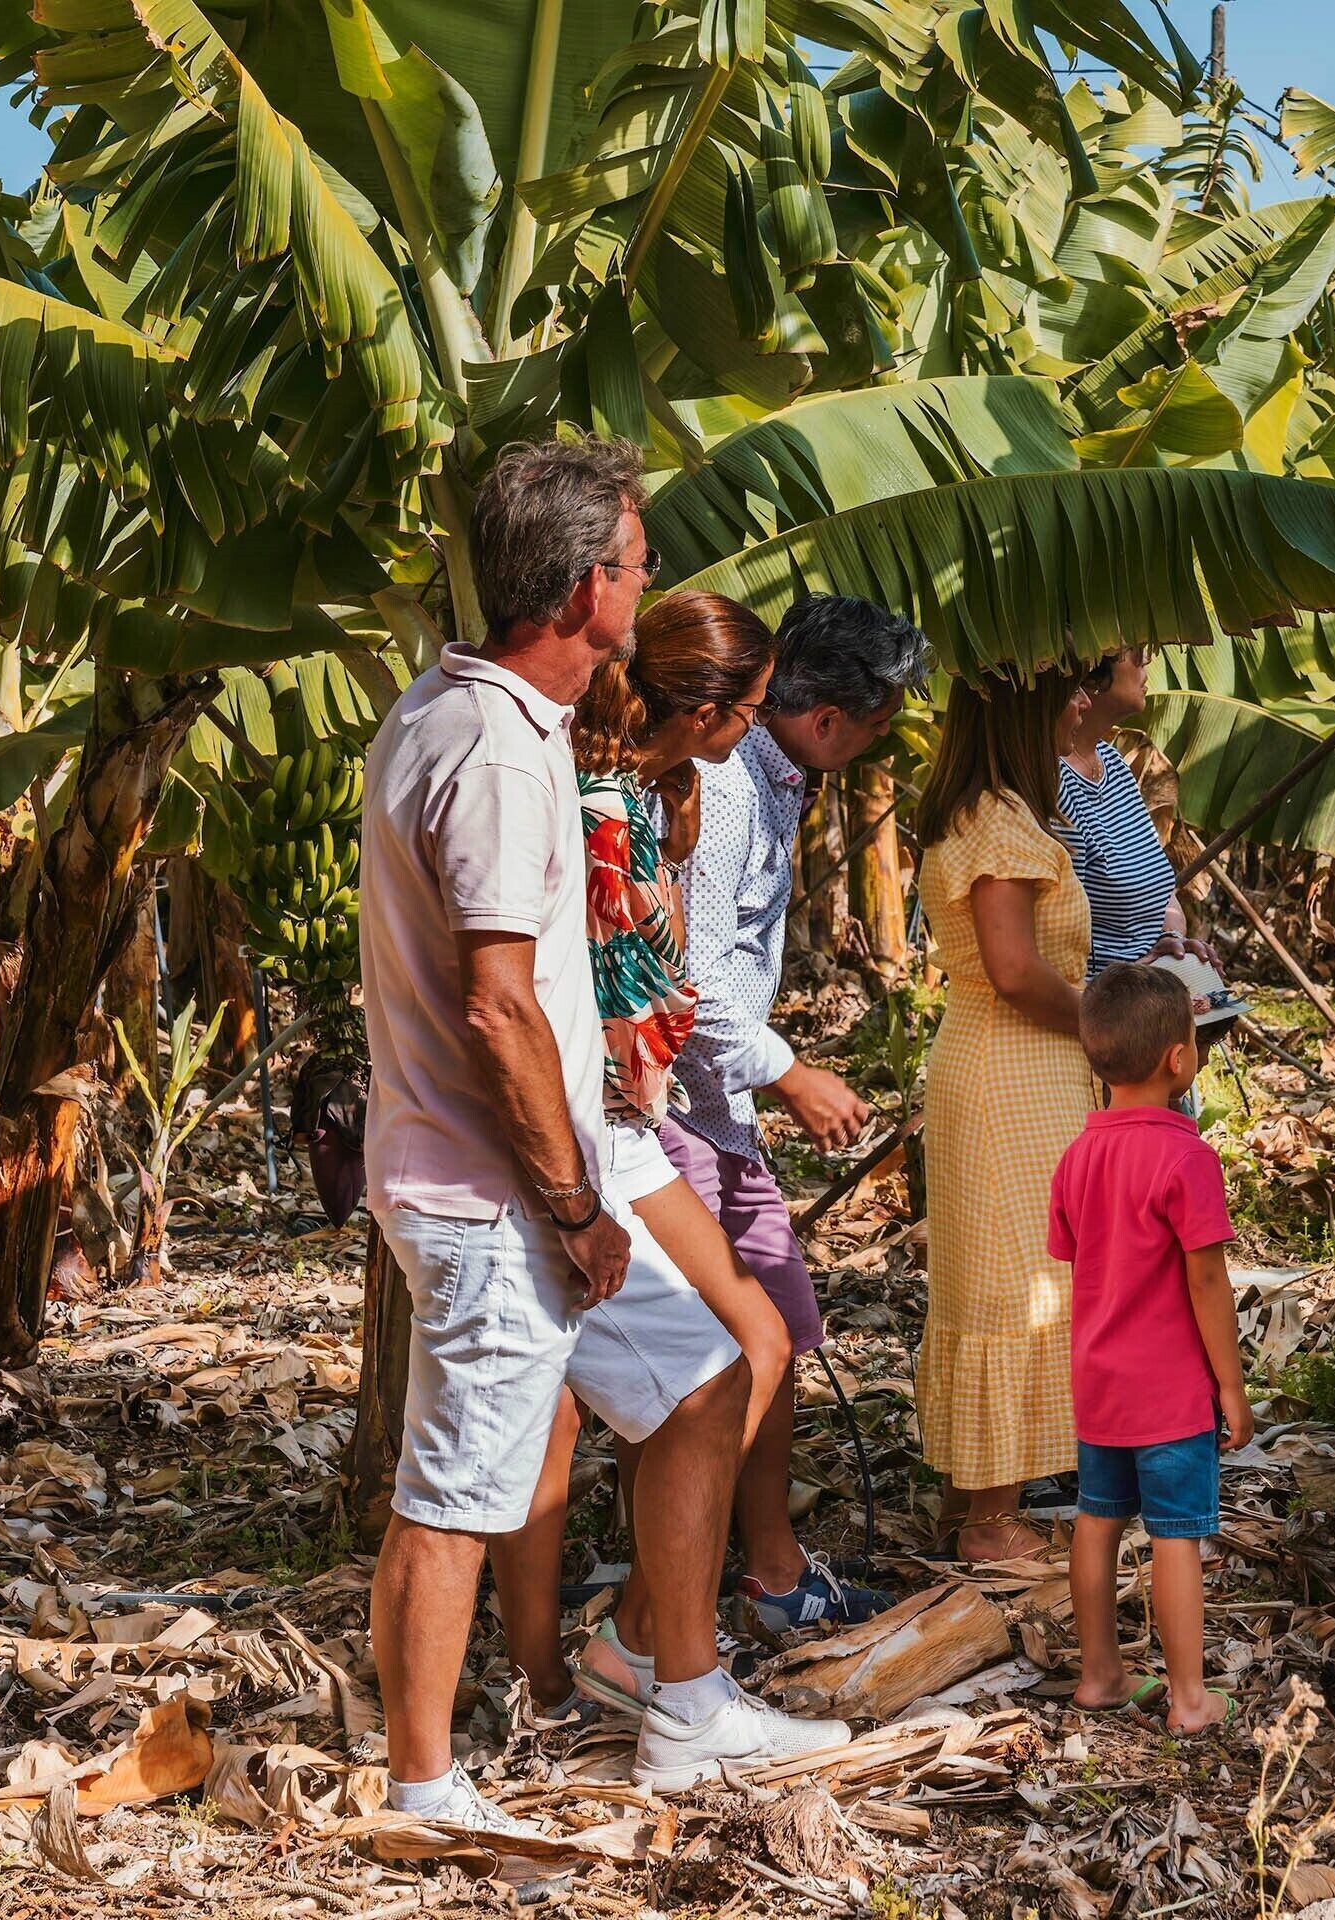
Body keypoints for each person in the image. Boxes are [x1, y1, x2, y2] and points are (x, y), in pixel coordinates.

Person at [359, 441, 837, 1829]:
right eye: (636, 563)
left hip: (551, 1166)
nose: (649, 584)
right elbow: (499, 1003)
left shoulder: (465, 715)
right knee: (456, 1488)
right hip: (497, 1186)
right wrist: (573, 1206)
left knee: (701, 1386)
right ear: (584, 589)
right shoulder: (503, 753)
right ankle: (423, 1785)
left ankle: (685, 1703)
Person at [500, 591, 804, 1728]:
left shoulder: (650, 789)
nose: (758, 730)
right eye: (754, 709)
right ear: (710, 709)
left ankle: (638, 1634)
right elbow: (615, 988)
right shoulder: (599, 802)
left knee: (753, 1339)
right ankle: (551, 1674)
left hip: (631, 1122)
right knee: (556, 1412)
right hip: (589, 1124)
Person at [666, 594, 930, 1632]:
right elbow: (684, 977)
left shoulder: (773, 784)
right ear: (827, 721)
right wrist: (791, 1073)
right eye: (876, 725)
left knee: (779, 1330)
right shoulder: (727, 789)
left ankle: (771, 1573)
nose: (878, 746)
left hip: (719, 1113)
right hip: (682, 1110)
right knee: (722, 1354)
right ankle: (665, 1611)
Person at [914, 665, 1094, 1562]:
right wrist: (1108, 1023)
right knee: (1012, 1285)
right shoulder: (997, 821)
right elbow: (1015, 968)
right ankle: (989, 1519)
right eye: (1066, 693)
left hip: (1010, 1069)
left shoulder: (992, 813)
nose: (1078, 706)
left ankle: (972, 1499)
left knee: (1005, 1277)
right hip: (1007, 1071)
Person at [1047, 963, 1247, 1734]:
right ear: (1178, 1058)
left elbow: (1074, 1254)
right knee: (1175, 1537)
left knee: (1097, 1521)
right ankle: (1189, 1698)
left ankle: (1099, 1673)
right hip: (1168, 1394)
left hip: (1099, 1384)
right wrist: (1228, 1385)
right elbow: (1206, 1283)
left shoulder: (1075, 1157)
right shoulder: (1186, 1158)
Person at [1057, 648, 1212, 975]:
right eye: (1132, 649)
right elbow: (1057, 941)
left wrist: (1172, 941)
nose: (1147, 659)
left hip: (1137, 998)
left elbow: (1161, 888)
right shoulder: (1052, 785)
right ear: (1091, 676)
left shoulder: (1112, 764)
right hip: (1092, 1010)